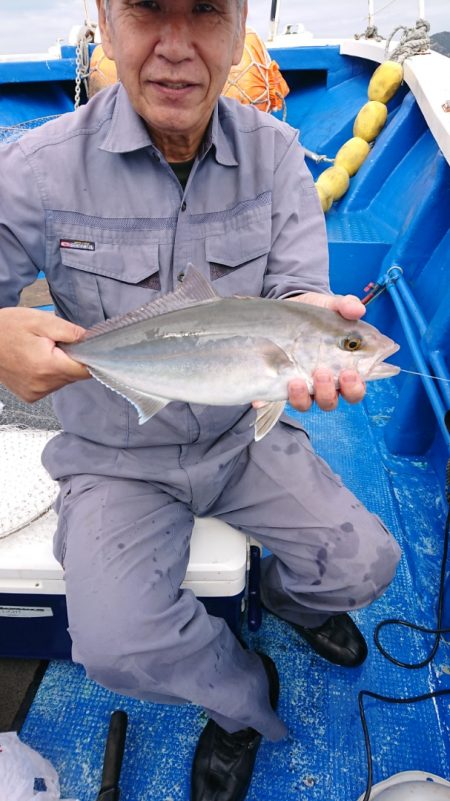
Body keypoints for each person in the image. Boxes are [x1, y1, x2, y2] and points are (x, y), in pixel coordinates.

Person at [0, 1, 401, 799]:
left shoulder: (278, 154)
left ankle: (287, 601)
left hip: (242, 435)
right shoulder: (36, 166)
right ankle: (242, 695)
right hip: (115, 454)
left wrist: (317, 323)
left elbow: (298, 291)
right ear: (106, 19)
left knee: (367, 563)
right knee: (114, 644)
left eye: (207, 11)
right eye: (149, 10)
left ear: (240, 22)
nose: (176, 47)